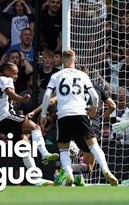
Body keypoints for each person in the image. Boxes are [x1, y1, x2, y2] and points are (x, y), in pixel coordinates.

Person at [41, 50, 118, 186]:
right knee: (93, 145)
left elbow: (47, 96)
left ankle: (69, 174)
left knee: (63, 148)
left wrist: (43, 114)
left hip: (64, 115)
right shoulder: (82, 75)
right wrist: (94, 107)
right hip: (81, 114)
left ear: (62, 61)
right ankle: (106, 170)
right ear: (74, 59)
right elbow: (94, 95)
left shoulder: (56, 75)